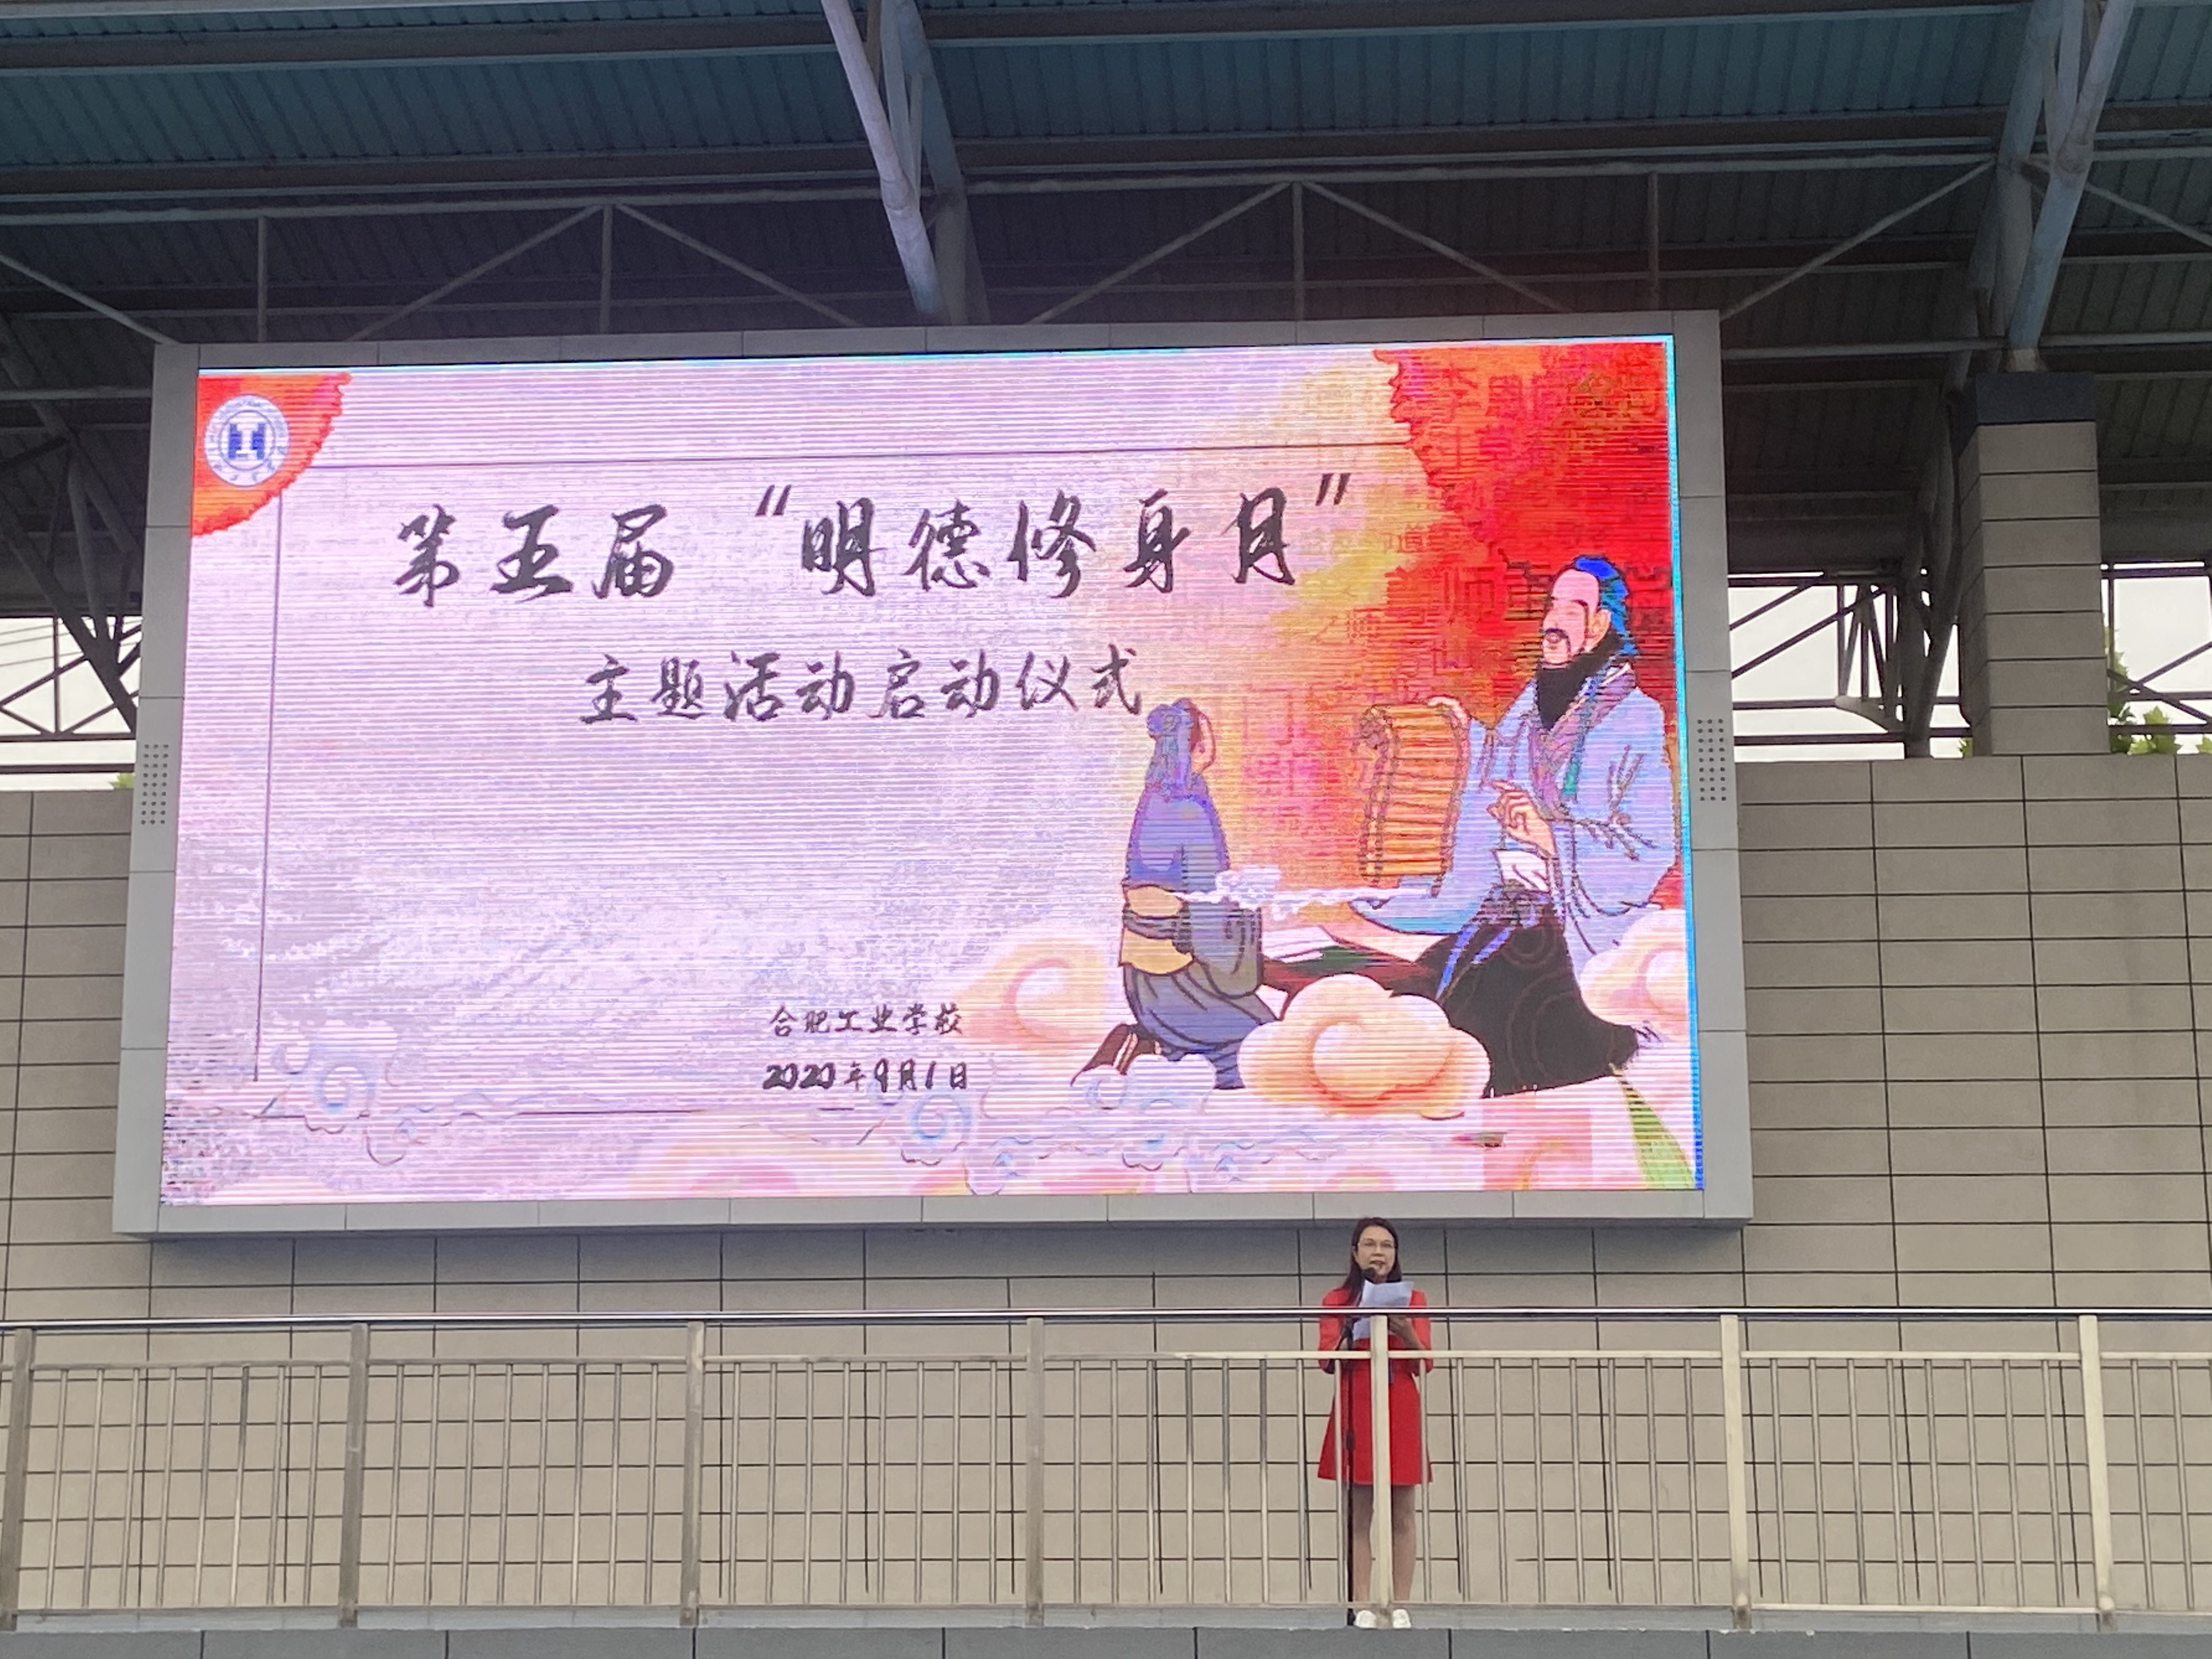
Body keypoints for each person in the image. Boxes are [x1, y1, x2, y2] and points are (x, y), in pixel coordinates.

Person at [1350, 555, 1676, 1094]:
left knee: (1488, 1026)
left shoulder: (1634, 717)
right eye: (1552, 606)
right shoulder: (1536, 699)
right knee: (1430, 988)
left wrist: (1550, 836)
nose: (1553, 622)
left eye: (1572, 610)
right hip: (1509, 909)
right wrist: (1467, 733)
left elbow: (1652, 845)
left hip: (1572, 926)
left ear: (1600, 624)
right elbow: (1501, 764)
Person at [1118, 698, 1276, 1087]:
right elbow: (1208, 928)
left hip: (1143, 984)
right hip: (1182, 987)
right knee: (1268, 1045)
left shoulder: (1155, 799)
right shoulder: (1189, 810)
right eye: (1208, 737)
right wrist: (1247, 909)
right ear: (1198, 746)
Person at [1317, 1216, 1431, 1628]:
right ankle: (1361, 1603)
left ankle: (1400, 1603)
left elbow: (1424, 1362)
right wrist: (1354, 1322)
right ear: (1355, 1253)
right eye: (1370, 1245)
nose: (1378, 1253)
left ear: (1396, 1254)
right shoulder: (1337, 1299)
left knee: (1403, 1510)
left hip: (1399, 1401)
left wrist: (1406, 1331)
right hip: (1358, 1400)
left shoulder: (1413, 1299)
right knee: (1359, 1510)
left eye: (1386, 1246)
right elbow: (1326, 1359)